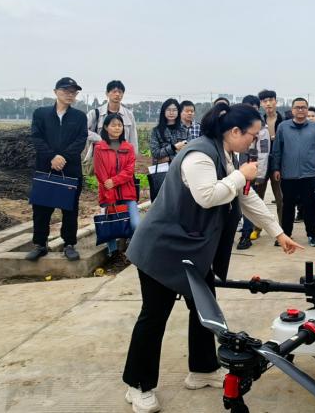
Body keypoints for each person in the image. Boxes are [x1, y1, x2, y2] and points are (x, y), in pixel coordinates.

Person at [122, 103, 303, 413]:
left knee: (203, 310)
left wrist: (278, 232)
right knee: (154, 316)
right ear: (234, 131)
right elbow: (207, 196)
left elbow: (245, 196)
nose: (253, 142)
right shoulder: (199, 155)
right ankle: (138, 385)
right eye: (252, 135)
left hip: (192, 250)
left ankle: (203, 370)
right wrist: (240, 176)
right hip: (162, 249)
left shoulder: (226, 154)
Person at [25, 77, 88, 262]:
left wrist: (63, 157)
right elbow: (36, 138)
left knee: (70, 209)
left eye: (73, 92)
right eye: (66, 90)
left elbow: (81, 140)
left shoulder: (79, 117)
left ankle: (69, 244)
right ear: (55, 92)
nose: (70, 94)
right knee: (41, 208)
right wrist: (52, 157)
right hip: (46, 168)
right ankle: (40, 244)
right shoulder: (41, 114)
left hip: (70, 169)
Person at [271, 97, 315, 247]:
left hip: (310, 174)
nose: (300, 110)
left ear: (307, 110)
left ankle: (312, 235)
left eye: (303, 107)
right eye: (297, 107)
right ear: (292, 110)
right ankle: (286, 235)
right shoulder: (283, 127)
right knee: (287, 207)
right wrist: (276, 168)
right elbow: (277, 150)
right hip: (288, 174)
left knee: (309, 206)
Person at [93, 114, 139, 256]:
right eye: (113, 125)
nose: (117, 128)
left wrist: (114, 181)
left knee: (135, 224)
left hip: (127, 192)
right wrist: (109, 187)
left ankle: (132, 248)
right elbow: (99, 171)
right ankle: (112, 252)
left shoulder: (128, 147)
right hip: (108, 192)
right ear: (106, 127)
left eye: (119, 125)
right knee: (110, 224)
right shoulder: (99, 147)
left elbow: (129, 170)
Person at [235, 95, 271, 250]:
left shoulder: (262, 128)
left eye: (254, 108)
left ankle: (246, 235)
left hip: (251, 170)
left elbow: (263, 153)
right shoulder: (237, 125)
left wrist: (259, 174)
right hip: (237, 169)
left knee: (248, 203)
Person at [148, 99, 190, 202]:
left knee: (179, 202)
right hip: (162, 173)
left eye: (174, 110)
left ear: (178, 112)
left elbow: (188, 151)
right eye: (168, 110)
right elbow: (155, 153)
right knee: (162, 201)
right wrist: (174, 148)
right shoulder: (156, 131)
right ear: (164, 111)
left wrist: (167, 156)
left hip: (180, 171)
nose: (171, 113)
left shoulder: (184, 130)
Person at [86, 80, 139, 159]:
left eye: (120, 92)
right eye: (114, 91)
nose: (117, 94)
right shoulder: (95, 113)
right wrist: (98, 138)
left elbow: (133, 137)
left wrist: (133, 156)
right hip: (100, 156)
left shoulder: (129, 115)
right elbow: (81, 130)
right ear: (107, 93)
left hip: (122, 156)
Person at [257, 89, 285, 230]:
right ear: (261, 104)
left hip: (278, 163)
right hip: (261, 163)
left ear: (276, 101)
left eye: (270, 100)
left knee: (280, 199)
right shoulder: (258, 122)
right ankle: (257, 227)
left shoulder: (284, 121)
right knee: (258, 198)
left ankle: (282, 228)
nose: (268, 103)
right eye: (265, 101)